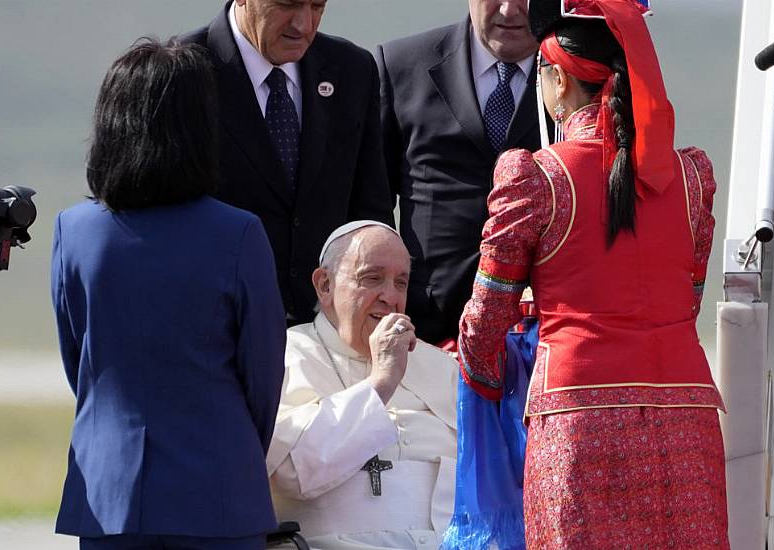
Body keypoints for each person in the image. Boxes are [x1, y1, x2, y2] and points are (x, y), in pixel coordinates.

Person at [457, 1, 730, 548]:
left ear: (556, 79)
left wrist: (485, 375)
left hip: (579, 419)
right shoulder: (691, 176)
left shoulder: (536, 178)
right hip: (688, 418)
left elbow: (488, 319)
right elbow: (691, 294)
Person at [52, 39, 286, 550]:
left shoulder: (75, 230)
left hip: (107, 492)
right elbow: (263, 376)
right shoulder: (239, 233)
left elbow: (80, 362)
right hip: (220, 488)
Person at [183, 0, 394, 326]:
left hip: (326, 341)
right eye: (287, 5)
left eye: (317, 6)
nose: (304, 25)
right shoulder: (183, 70)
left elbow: (370, 212)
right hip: (215, 330)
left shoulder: (352, 69)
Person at [266, 221, 458, 550]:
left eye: (401, 282)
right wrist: (380, 382)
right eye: (372, 278)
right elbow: (290, 473)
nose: (391, 297)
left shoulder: (443, 366)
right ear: (324, 285)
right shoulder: (281, 355)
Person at [375, 0, 551, 345]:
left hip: (543, 326)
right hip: (426, 325)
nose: (509, 10)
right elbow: (371, 203)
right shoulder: (400, 65)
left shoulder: (584, 71)